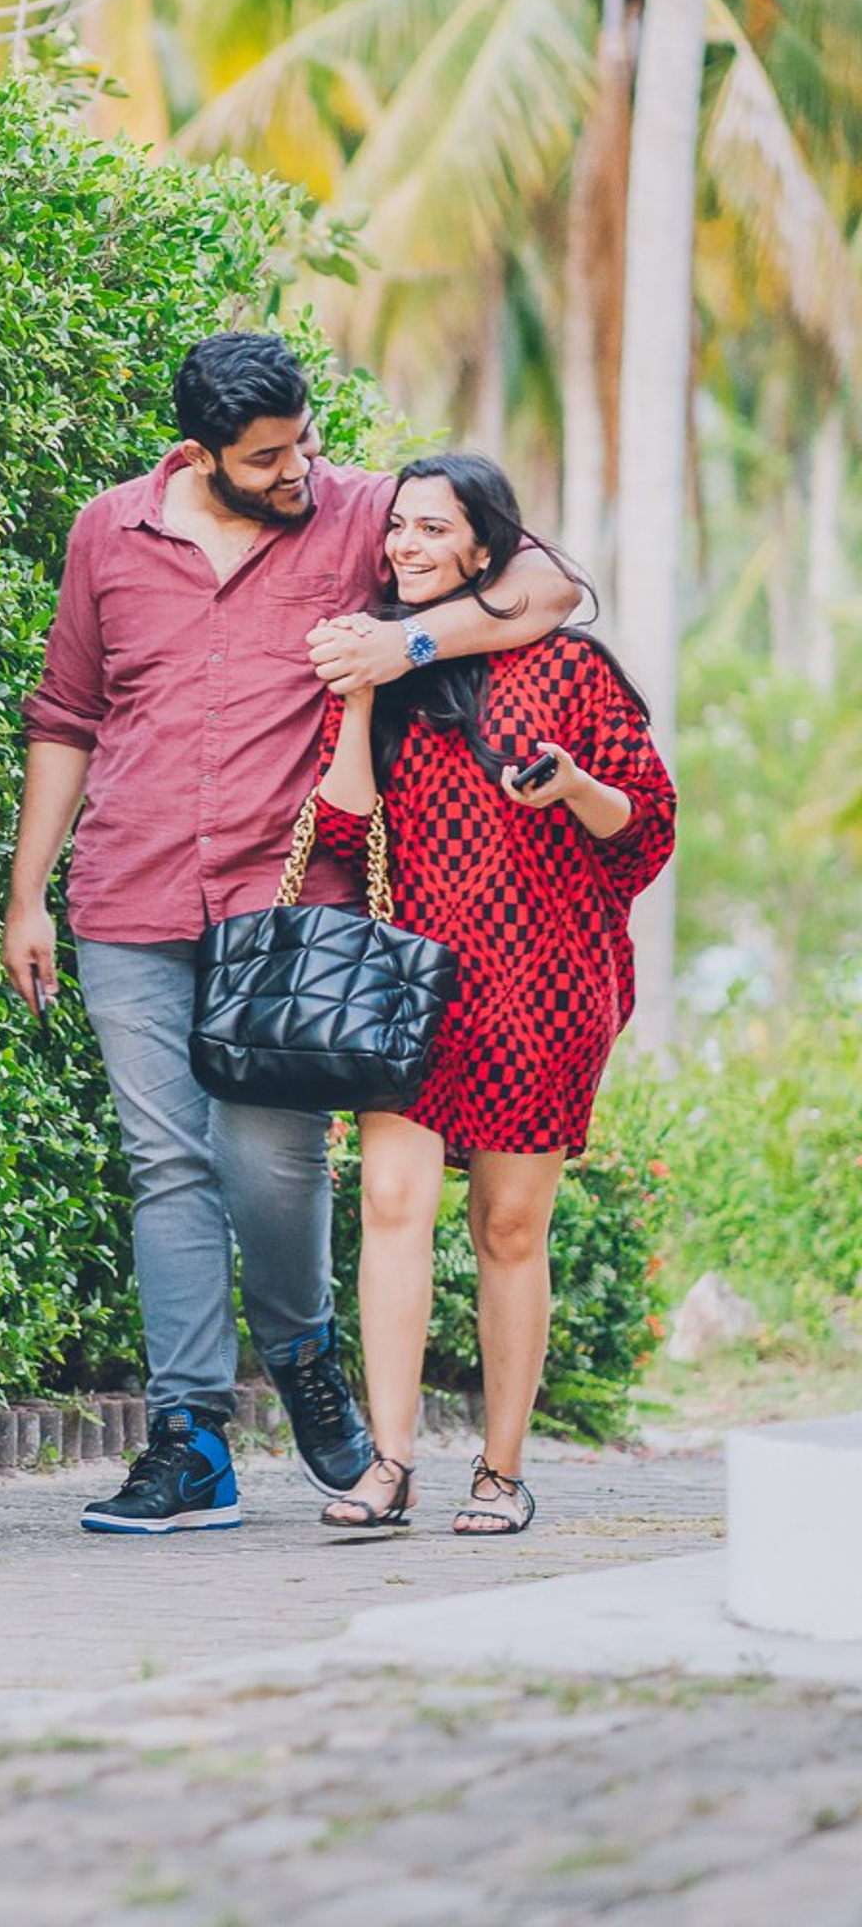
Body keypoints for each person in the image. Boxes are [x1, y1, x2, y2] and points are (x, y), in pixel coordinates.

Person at [4, 335, 581, 1535]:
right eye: (268, 457)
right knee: (163, 1165)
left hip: (287, 915)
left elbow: (547, 586)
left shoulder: (355, 509)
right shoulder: (108, 531)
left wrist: (407, 640)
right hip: (128, 895)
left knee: (270, 1167)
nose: (298, 469)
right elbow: (66, 713)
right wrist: (27, 892)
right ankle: (190, 1440)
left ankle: (305, 1350)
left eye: (305, 441)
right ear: (201, 452)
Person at [308, 454, 676, 1536]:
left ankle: (501, 1474)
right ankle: (387, 1464)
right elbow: (340, 829)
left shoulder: (569, 669)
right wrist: (360, 694)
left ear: (484, 548)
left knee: (509, 1227)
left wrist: (571, 785)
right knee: (388, 1205)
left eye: (433, 529)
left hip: (543, 983)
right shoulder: (385, 660)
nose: (406, 547)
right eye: (398, 529)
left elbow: (644, 827)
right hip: (412, 987)